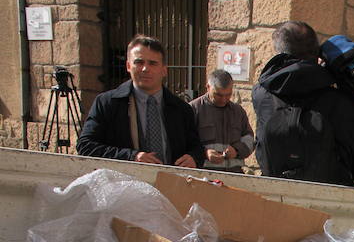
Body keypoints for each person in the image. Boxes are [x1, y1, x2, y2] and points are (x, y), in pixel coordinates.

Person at [252, 21, 354, 187]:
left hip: (276, 199)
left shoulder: (262, 94)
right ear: (318, 52)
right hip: (328, 203)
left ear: (279, 53)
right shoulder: (339, 101)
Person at [77, 34, 204, 168]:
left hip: (169, 185)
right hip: (123, 184)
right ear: (128, 66)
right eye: (139, 62)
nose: (145, 69)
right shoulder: (107, 103)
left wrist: (194, 157)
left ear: (164, 70)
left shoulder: (181, 109)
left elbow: (197, 148)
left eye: (153, 63)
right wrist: (131, 156)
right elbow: (85, 146)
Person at [189, 69, 255, 172]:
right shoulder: (193, 109)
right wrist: (205, 153)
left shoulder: (238, 111)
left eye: (228, 95)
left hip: (234, 174)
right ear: (208, 87)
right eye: (218, 95)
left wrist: (236, 150)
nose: (224, 99)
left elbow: (250, 139)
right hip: (204, 175)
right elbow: (186, 142)